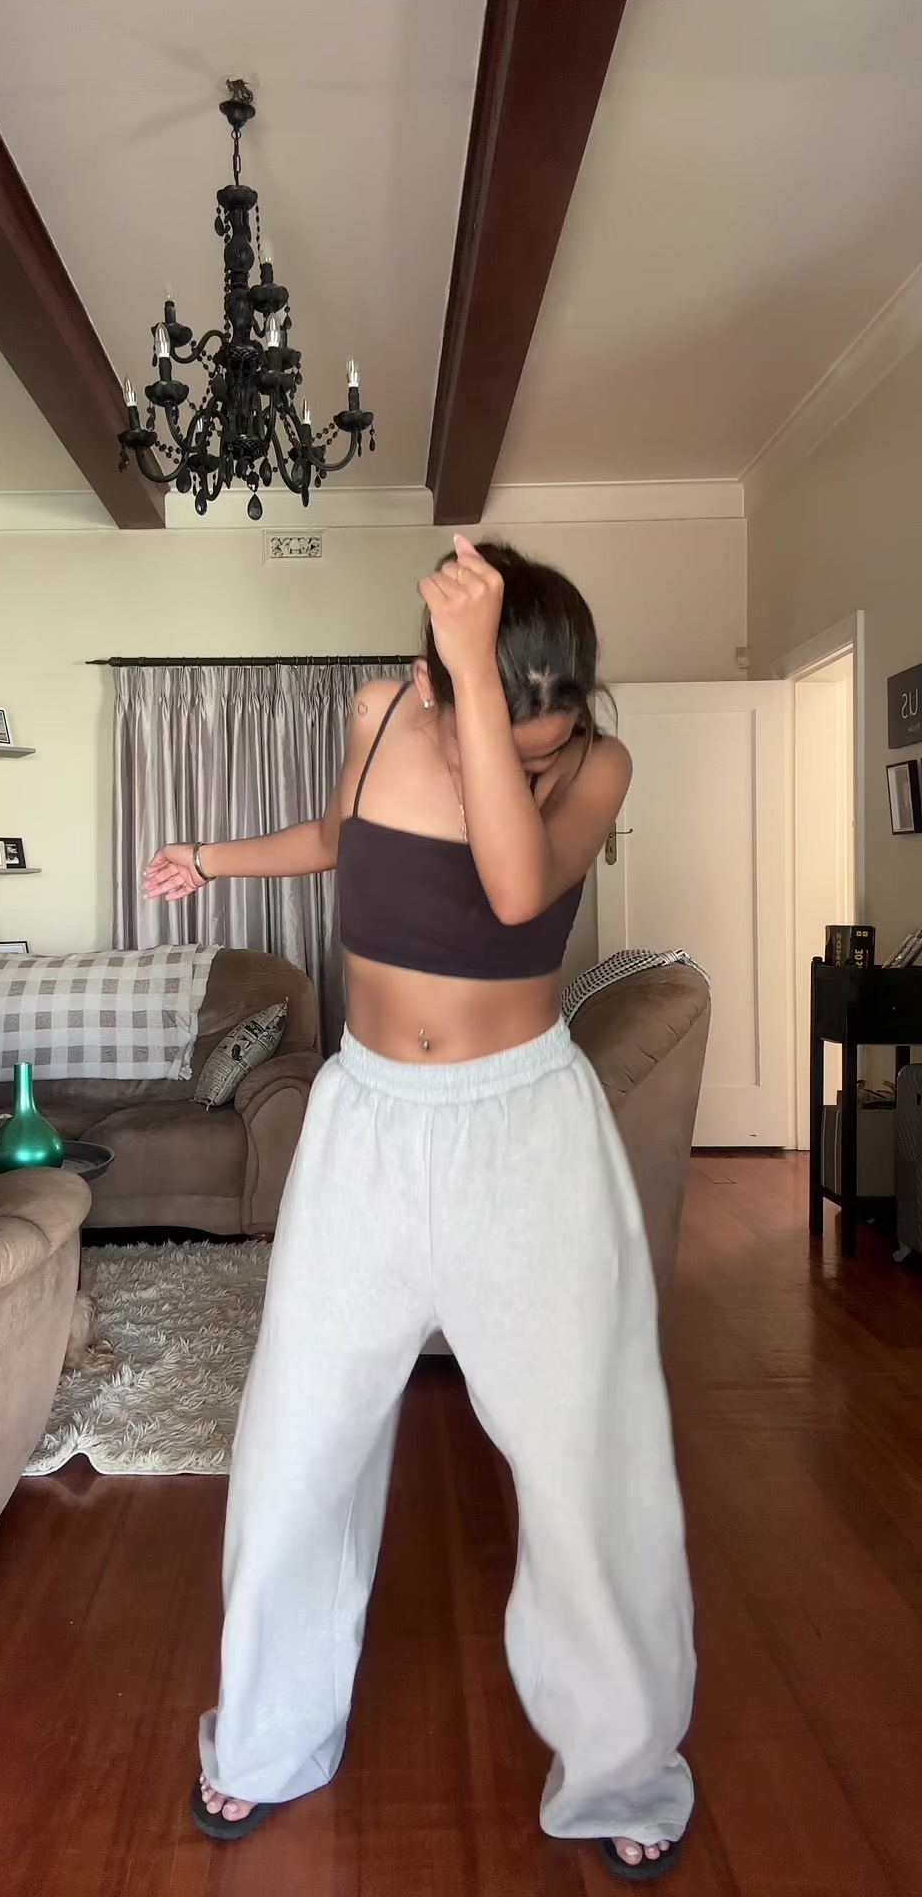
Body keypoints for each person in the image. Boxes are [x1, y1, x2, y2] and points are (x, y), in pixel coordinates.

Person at [144, 536, 695, 1883]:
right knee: (297, 1446)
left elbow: (514, 888)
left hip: (526, 1134)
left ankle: (623, 1767)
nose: (533, 759)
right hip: (367, 1124)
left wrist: (477, 674)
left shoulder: (601, 767)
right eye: (496, 723)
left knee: (587, 1464)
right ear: (436, 683)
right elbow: (346, 837)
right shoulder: (384, 708)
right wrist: (212, 857)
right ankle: (265, 1738)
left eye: (545, 739)